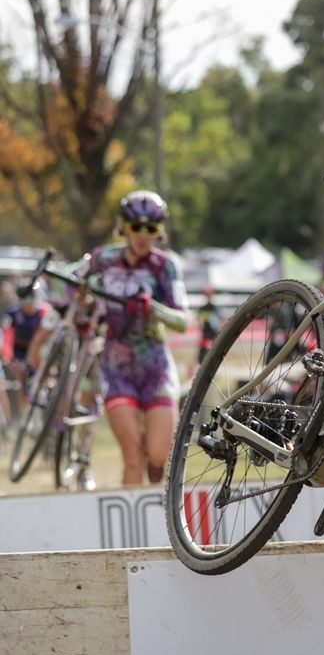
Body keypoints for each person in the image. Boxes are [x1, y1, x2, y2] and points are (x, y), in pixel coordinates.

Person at [84, 191, 189, 487]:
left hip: (156, 368)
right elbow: (73, 286)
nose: (143, 236)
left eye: (152, 228)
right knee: (132, 454)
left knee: (157, 455)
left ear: (160, 231)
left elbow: (183, 320)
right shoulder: (102, 259)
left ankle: (159, 513)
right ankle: (134, 532)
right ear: (123, 227)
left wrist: (153, 308)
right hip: (116, 367)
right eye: (136, 227)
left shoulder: (166, 266)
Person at [196, 286, 222, 364]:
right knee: (203, 351)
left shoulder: (215, 308)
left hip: (213, 332)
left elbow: (219, 320)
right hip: (206, 332)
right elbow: (199, 320)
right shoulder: (203, 308)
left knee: (214, 350)